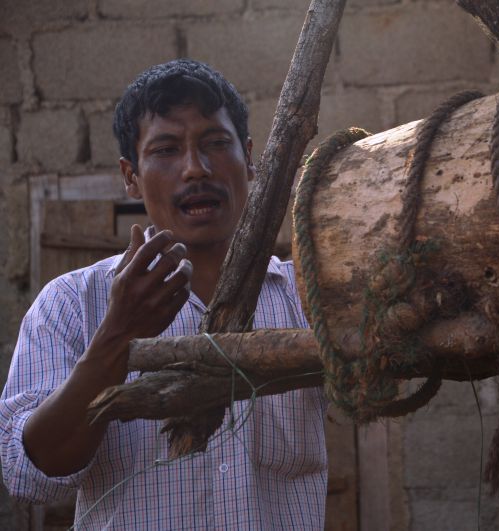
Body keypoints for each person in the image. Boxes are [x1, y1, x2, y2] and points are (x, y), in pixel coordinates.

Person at [0, 59, 327, 529]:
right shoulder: (71, 304)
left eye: (216, 143)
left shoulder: (306, 296)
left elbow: (384, 381)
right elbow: (30, 476)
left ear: (251, 158)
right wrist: (118, 336)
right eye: (167, 150)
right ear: (130, 176)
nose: (196, 169)